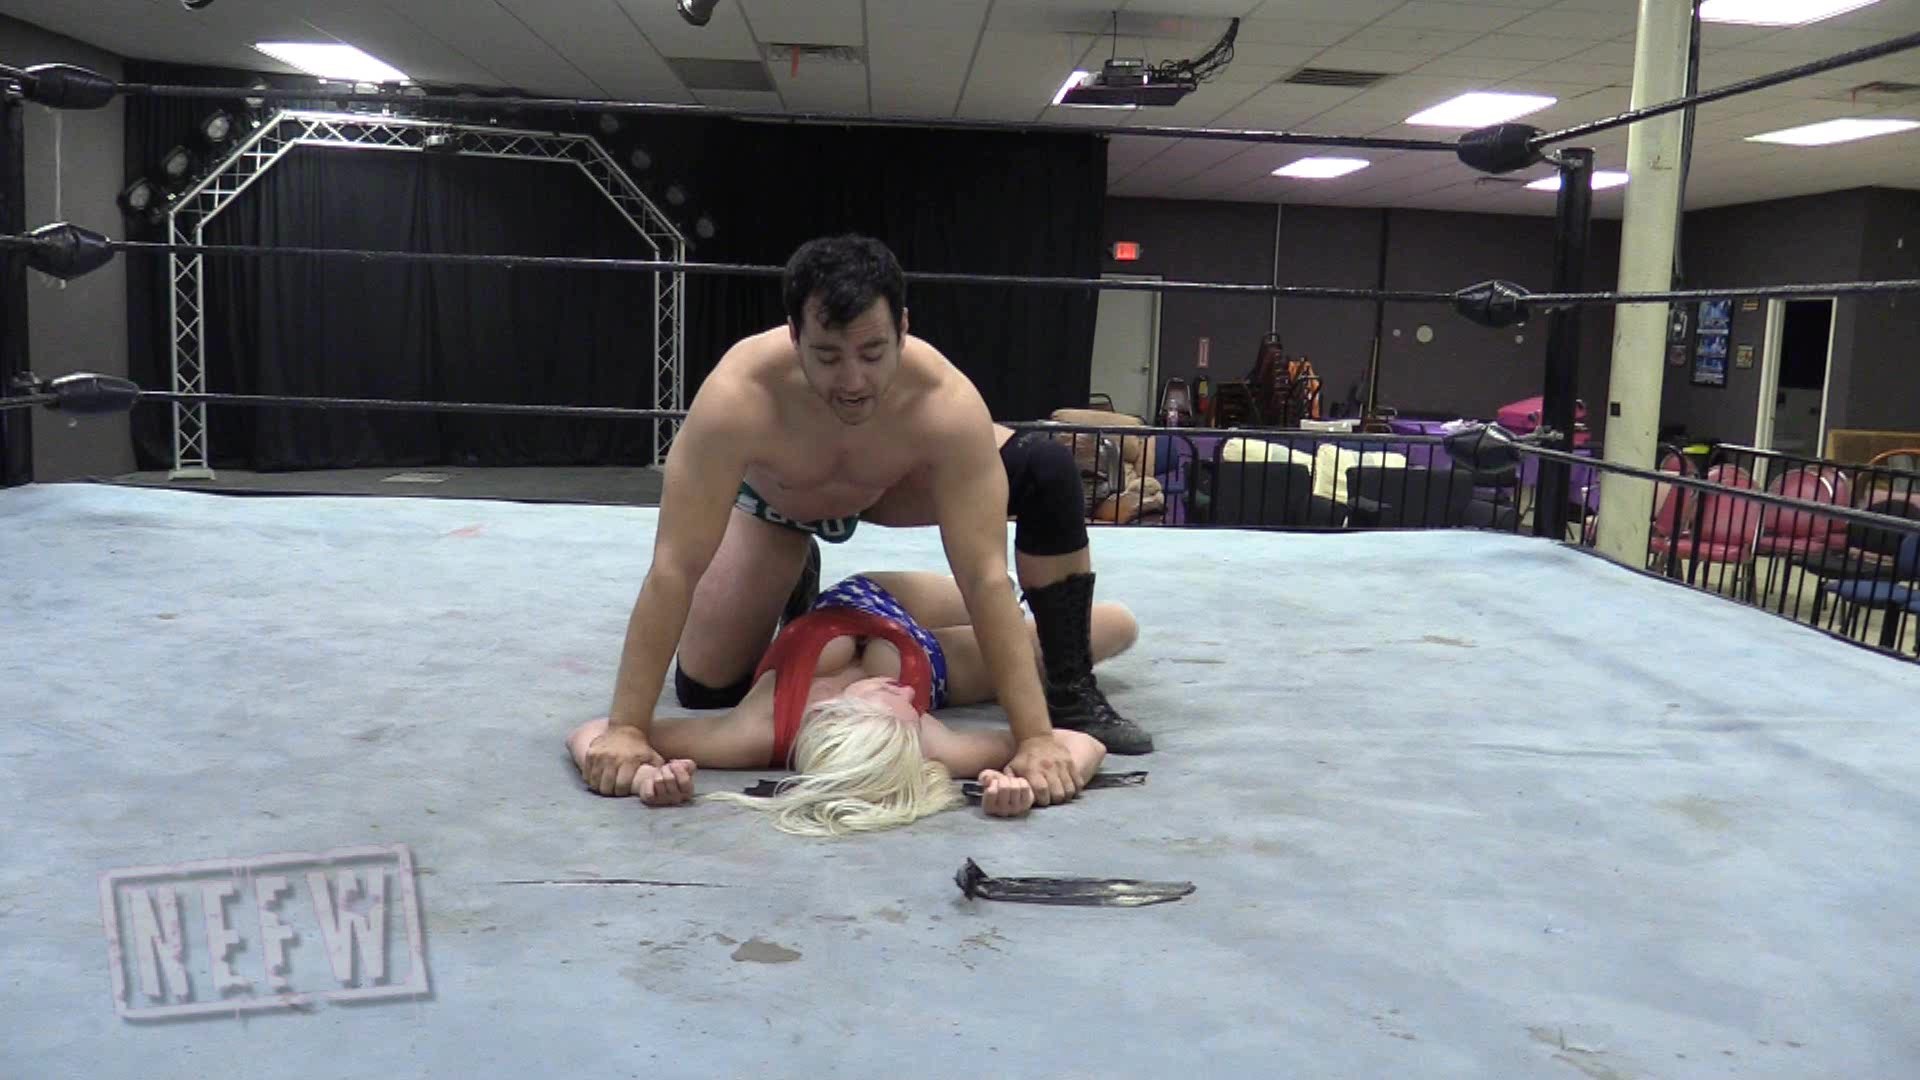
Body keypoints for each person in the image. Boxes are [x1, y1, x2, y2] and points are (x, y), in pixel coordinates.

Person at [585, 235, 1153, 809]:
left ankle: (1071, 686)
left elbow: (982, 577)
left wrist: (1035, 737)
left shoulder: (943, 402)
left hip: (892, 488)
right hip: (781, 506)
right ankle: (791, 572)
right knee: (709, 688)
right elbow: (675, 567)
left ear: (903, 329)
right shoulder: (739, 398)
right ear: (793, 335)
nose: (853, 381)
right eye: (828, 357)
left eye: (873, 353)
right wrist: (627, 727)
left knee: (1045, 473)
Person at [567, 570, 1137, 834]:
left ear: (840, 715)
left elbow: (600, 734)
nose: (906, 697)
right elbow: (1077, 744)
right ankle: (999, 607)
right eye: (910, 709)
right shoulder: (925, 743)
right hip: (928, 655)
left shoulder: (756, 732)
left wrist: (636, 776)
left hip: (856, 604)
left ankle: (793, 589)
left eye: (893, 699)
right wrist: (1032, 786)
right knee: (1113, 626)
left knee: (999, 595)